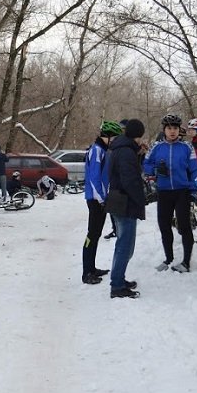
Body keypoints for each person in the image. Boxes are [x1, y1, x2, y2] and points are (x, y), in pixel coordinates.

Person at [143, 114, 197, 273]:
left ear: (179, 129)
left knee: (184, 226)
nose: (172, 131)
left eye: (175, 128)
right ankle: (168, 258)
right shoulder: (156, 147)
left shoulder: (187, 147)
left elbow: (195, 169)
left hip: (182, 192)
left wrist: (194, 189)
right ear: (164, 130)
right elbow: (146, 164)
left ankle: (186, 262)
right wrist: (155, 171)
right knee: (164, 225)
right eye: (169, 128)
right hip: (164, 192)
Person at [108, 119, 146, 299]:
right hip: (125, 203)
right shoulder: (126, 152)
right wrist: (141, 200)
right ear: (138, 135)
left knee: (123, 244)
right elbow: (129, 180)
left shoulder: (121, 148)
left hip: (118, 201)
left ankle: (119, 279)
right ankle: (117, 286)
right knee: (125, 246)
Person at [81, 120, 123, 285]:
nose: (115, 141)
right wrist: (101, 199)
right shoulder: (96, 150)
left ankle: (92, 268)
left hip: (101, 198)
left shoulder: (103, 150)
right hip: (95, 199)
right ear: (107, 136)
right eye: (114, 138)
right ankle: (86, 272)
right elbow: (94, 177)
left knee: (96, 234)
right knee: (91, 235)